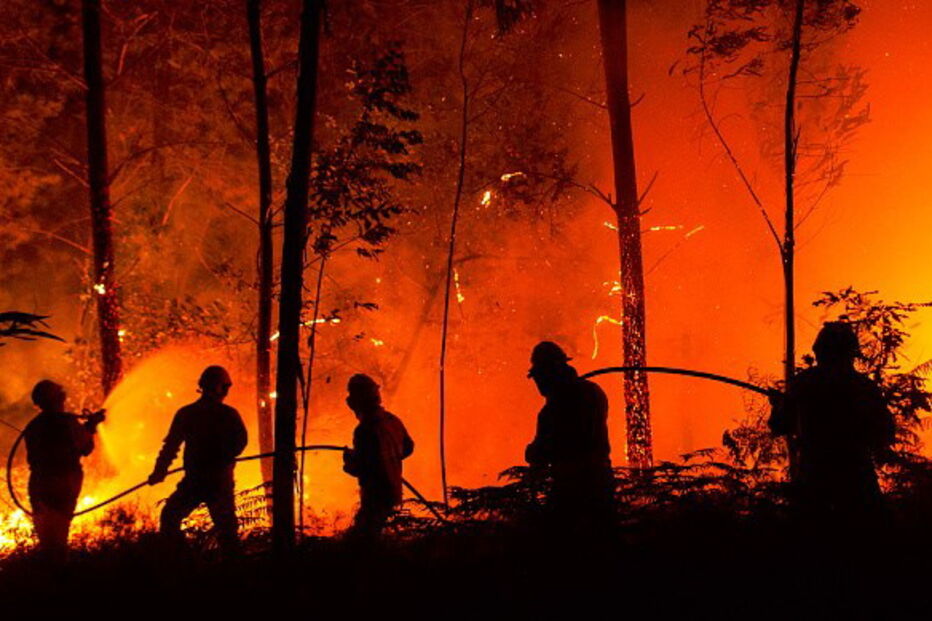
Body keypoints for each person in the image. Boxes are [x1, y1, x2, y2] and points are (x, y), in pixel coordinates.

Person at [769, 322, 895, 521]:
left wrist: (779, 405)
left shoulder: (804, 383)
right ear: (851, 352)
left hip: (814, 477)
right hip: (857, 479)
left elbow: (780, 424)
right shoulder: (864, 387)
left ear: (819, 351)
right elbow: (885, 433)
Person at [148, 366, 247, 552]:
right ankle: (218, 567)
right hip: (211, 481)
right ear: (216, 387)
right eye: (224, 386)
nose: (225, 391)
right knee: (225, 531)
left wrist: (160, 470)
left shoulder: (188, 413)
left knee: (171, 518)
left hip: (206, 481)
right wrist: (159, 470)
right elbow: (240, 443)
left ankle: (188, 562)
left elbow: (170, 447)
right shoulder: (224, 414)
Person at [525, 341, 614, 530]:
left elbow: (543, 454)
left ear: (551, 372)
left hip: (571, 488)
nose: (538, 383)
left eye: (539, 376)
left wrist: (532, 452)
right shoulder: (593, 391)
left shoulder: (553, 409)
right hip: (602, 481)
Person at [23, 380, 105, 562]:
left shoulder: (33, 426)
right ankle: (61, 574)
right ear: (59, 397)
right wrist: (91, 427)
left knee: (45, 534)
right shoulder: (68, 421)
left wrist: (88, 427)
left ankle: (46, 574)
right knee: (60, 532)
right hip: (65, 480)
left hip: (38, 482)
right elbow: (85, 448)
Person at [342, 374, 414, 537]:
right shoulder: (392, 420)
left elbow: (365, 468)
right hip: (392, 489)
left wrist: (349, 461)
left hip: (376, 495)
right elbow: (408, 447)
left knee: (363, 541)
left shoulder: (364, 430)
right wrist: (391, 459)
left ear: (358, 401)